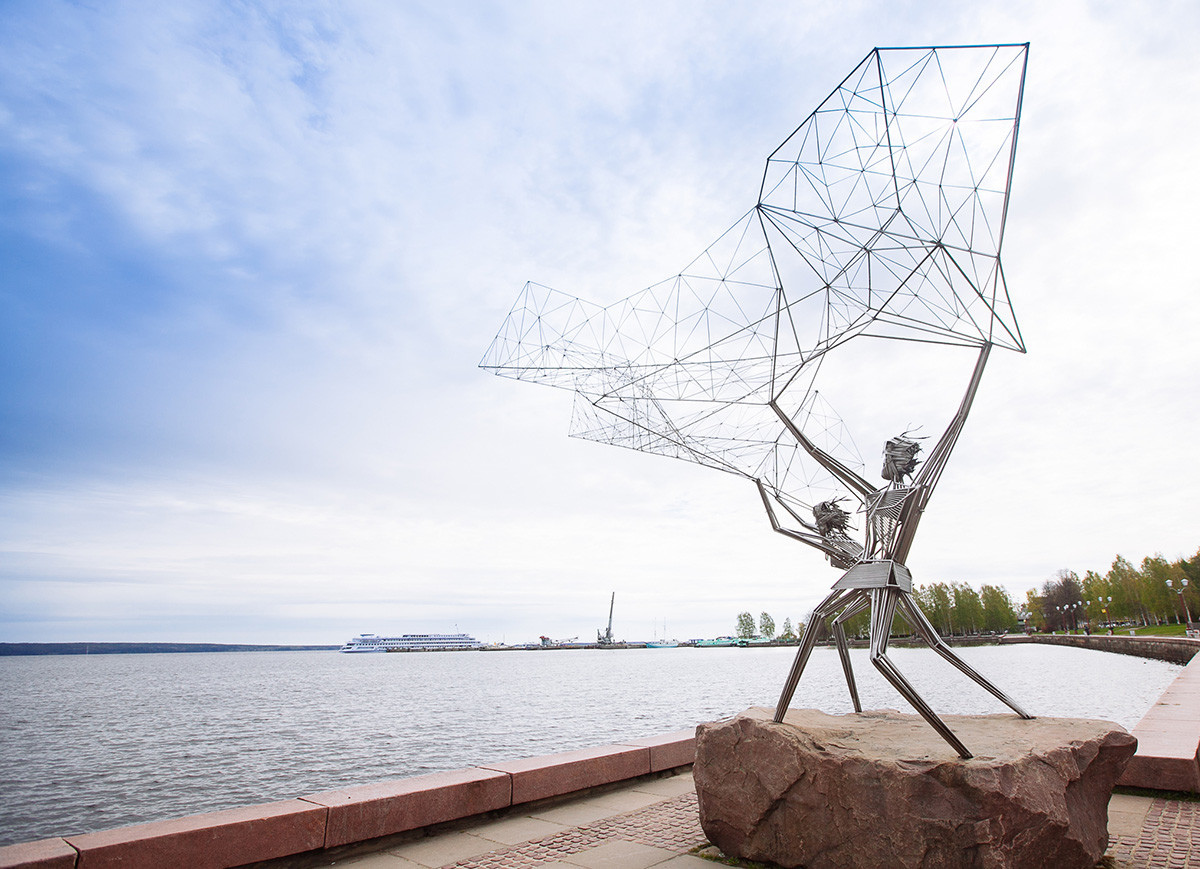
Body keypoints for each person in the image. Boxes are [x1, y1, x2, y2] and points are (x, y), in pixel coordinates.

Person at [758, 343, 1032, 759]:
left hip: (887, 571)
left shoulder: (917, 492)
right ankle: (798, 715)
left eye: (888, 454)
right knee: (822, 619)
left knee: (894, 653)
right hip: (866, 570)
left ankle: (964, 746)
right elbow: (819, 454)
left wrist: (983, 355)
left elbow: (955, 425)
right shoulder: (872, 494)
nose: (884, 459)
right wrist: (780, 412)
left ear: (898, 459)